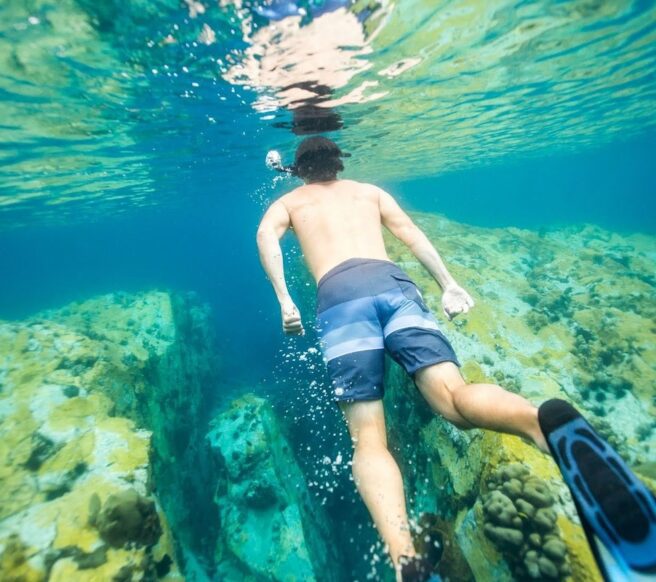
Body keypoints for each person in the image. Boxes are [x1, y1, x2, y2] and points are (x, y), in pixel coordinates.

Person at [256, 136, 656, 582]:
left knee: (369, 440)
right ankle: (542, 423)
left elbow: (265, 237)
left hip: (340, 299)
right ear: (339, 163)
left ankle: (405, 559)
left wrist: (283, 298)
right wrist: (447, 282)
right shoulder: (369, 192)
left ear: (299, 168)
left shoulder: (290, 202)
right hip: (394, 284)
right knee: (454, 397)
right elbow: (410, 234)